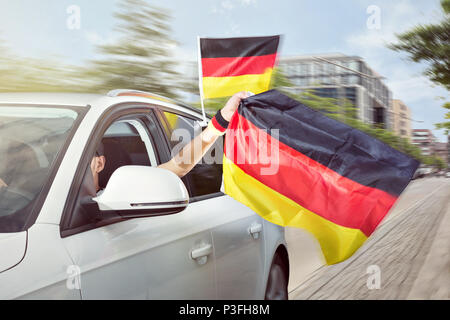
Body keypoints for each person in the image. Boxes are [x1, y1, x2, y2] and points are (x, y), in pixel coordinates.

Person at [90, 91, 249, 194]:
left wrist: (220, 121)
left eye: (81, 156)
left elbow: (177, 166)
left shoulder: (120, 194)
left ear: (99, 163)